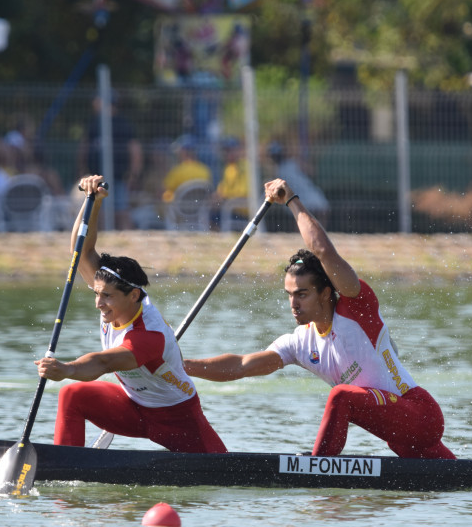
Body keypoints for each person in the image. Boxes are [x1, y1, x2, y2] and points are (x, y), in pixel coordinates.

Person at [184, 178, 455, 460]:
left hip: (420, 414)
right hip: (399, 436)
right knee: (461, 481)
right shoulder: (299, 343)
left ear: (326, 293)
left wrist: (291, 200)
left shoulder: (356, 307)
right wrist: (183, 365)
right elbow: (240, 366)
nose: (293, 303)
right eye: (289, 294)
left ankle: (319, 466)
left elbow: (323, 251)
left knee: (341, 396)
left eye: (301, 294)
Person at [35, 175, 228, 453]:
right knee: (72, 395)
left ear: (134, 295)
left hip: (178, 419)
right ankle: (66, 462)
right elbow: (80, 251)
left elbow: (102, 364)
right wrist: (93, 201)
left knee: (224, 471)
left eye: (107, 297)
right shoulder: (114, 294)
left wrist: (66, 369)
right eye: (96, 294)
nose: (99, 303)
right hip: (132, 406)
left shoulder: (149, 335)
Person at [78, 94, 143, 230]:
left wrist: (133, 174)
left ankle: (127, 239)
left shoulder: (122, 124)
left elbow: (134, 150)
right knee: (97, 211)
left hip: (118, 176)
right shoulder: (95, 123)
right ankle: (102, 240)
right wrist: (82, 170)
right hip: (95, 177)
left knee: (121, 211)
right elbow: (84, 147)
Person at [266, 142, 330, 231]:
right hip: (293, 195)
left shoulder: (293, 163)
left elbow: (312, 171)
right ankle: (302, 234)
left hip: (307, 192)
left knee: (322, 210)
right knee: (300, 216)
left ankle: (321, 231)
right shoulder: (276, 170)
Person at [161, 135, 212, 203]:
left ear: (183, 151)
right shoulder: (205, 170)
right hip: (201, 211)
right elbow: (209, 193)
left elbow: (165, 191)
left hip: (179, 211)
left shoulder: (177, 171)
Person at [212, 137, 248, 230]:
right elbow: (221, 191)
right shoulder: (229, 168)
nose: (228, 153)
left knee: (213, 217)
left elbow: (244, 193)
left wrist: (224, 198)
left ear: (239, 150)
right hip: (230, 207)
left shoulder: (245, 166)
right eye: (226, 150)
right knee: (210, 211)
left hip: (242, 210)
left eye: (231, 150)